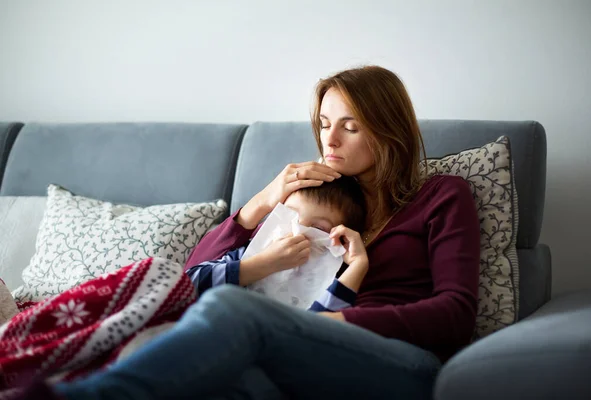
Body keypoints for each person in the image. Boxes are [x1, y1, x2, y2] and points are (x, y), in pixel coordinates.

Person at [19, 65, 480, 400]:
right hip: (299, 351)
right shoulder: (321, 200)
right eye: (323, 125)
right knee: (237, 385)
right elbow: (196, 271)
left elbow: (455, 313)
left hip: (400, 362)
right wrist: (262, 202)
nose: (329, 141)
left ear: (387, 131)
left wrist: (324, 323)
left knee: (232, 307)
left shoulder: (442, 195)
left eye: (350, 126)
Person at [186, 175, 368, 312]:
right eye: (291, 215)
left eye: (318, 227)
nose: (297, 230)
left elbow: (321, 327)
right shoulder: (253, 251)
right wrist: (263, 264)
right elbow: (188, 285)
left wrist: (358, 265)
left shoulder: (330, 277)